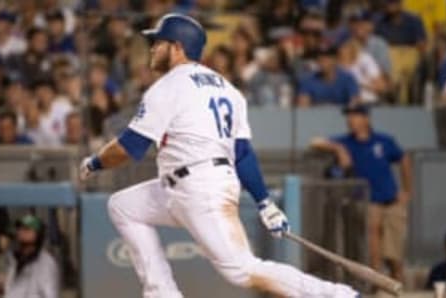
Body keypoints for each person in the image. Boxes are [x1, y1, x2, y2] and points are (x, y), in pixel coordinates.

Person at [80, 13, 358, 298]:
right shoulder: (228, 88)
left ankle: (338, 295)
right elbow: (242, 153)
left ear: (177, 47)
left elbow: (130, 147)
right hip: (187, 184)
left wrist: (95, 162)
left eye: (158, 42)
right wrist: (263, 202)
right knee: (123, 206)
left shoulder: (168, 86)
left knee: (241, 270)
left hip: (200, 186)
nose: (152, 48)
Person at [311, 105, 412, 282]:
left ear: (366, 119)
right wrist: (338, 149)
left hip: (392, 199)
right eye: (349, 116)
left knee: (394, 249)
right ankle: (377, 281)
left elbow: (403, 159)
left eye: (355, 116)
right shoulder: (346, 142)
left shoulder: (383, 140)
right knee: (372, 237)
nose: (351, 120)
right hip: (367, 200)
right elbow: (315, 142)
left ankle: (397, 279)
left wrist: (407, 190)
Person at [0, 215, 59, 298]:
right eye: (20, 228)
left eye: (27, 228)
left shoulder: (46, 262)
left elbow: (49, 294)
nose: (21, 231)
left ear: (39, 234)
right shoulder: (5, 259)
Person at [347, 9, 392, 76]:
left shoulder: (379, 44)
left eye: (363, 22)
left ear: (371, 26)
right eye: (355, 23)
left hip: (374, 81)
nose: (359, 25)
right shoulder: (348, 45)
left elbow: (385, 69)